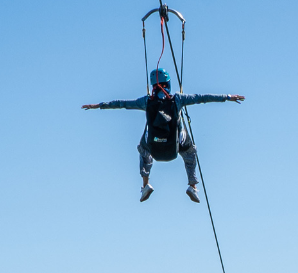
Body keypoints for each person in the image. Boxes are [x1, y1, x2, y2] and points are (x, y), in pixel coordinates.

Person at [83, 68, 246, 202]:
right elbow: (201, 98)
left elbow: (122, 104)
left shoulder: (146, 101)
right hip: (175, 145)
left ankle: (145, 184)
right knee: (190, 153)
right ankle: (193, 186)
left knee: (142, 149)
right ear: (168, 83)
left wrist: (99, 106)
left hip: (154, 147)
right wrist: (227, 97)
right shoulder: (178, 99)